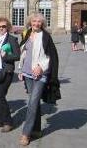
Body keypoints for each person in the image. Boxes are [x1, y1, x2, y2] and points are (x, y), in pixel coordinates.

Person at [18, 12, 60, 146]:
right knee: (33, 103)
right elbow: (24, 53)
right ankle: (36, 130)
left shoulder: (45, 36)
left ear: (42, 23)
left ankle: (26, 133)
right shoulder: (27, 34)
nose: (36, 24)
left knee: (32, 102)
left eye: (39, 22)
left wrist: (41, 67)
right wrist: (20, 69)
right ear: (30, 22)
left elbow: (50, 56)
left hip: (40, 74)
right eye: (34, 21)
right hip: (27, 73)